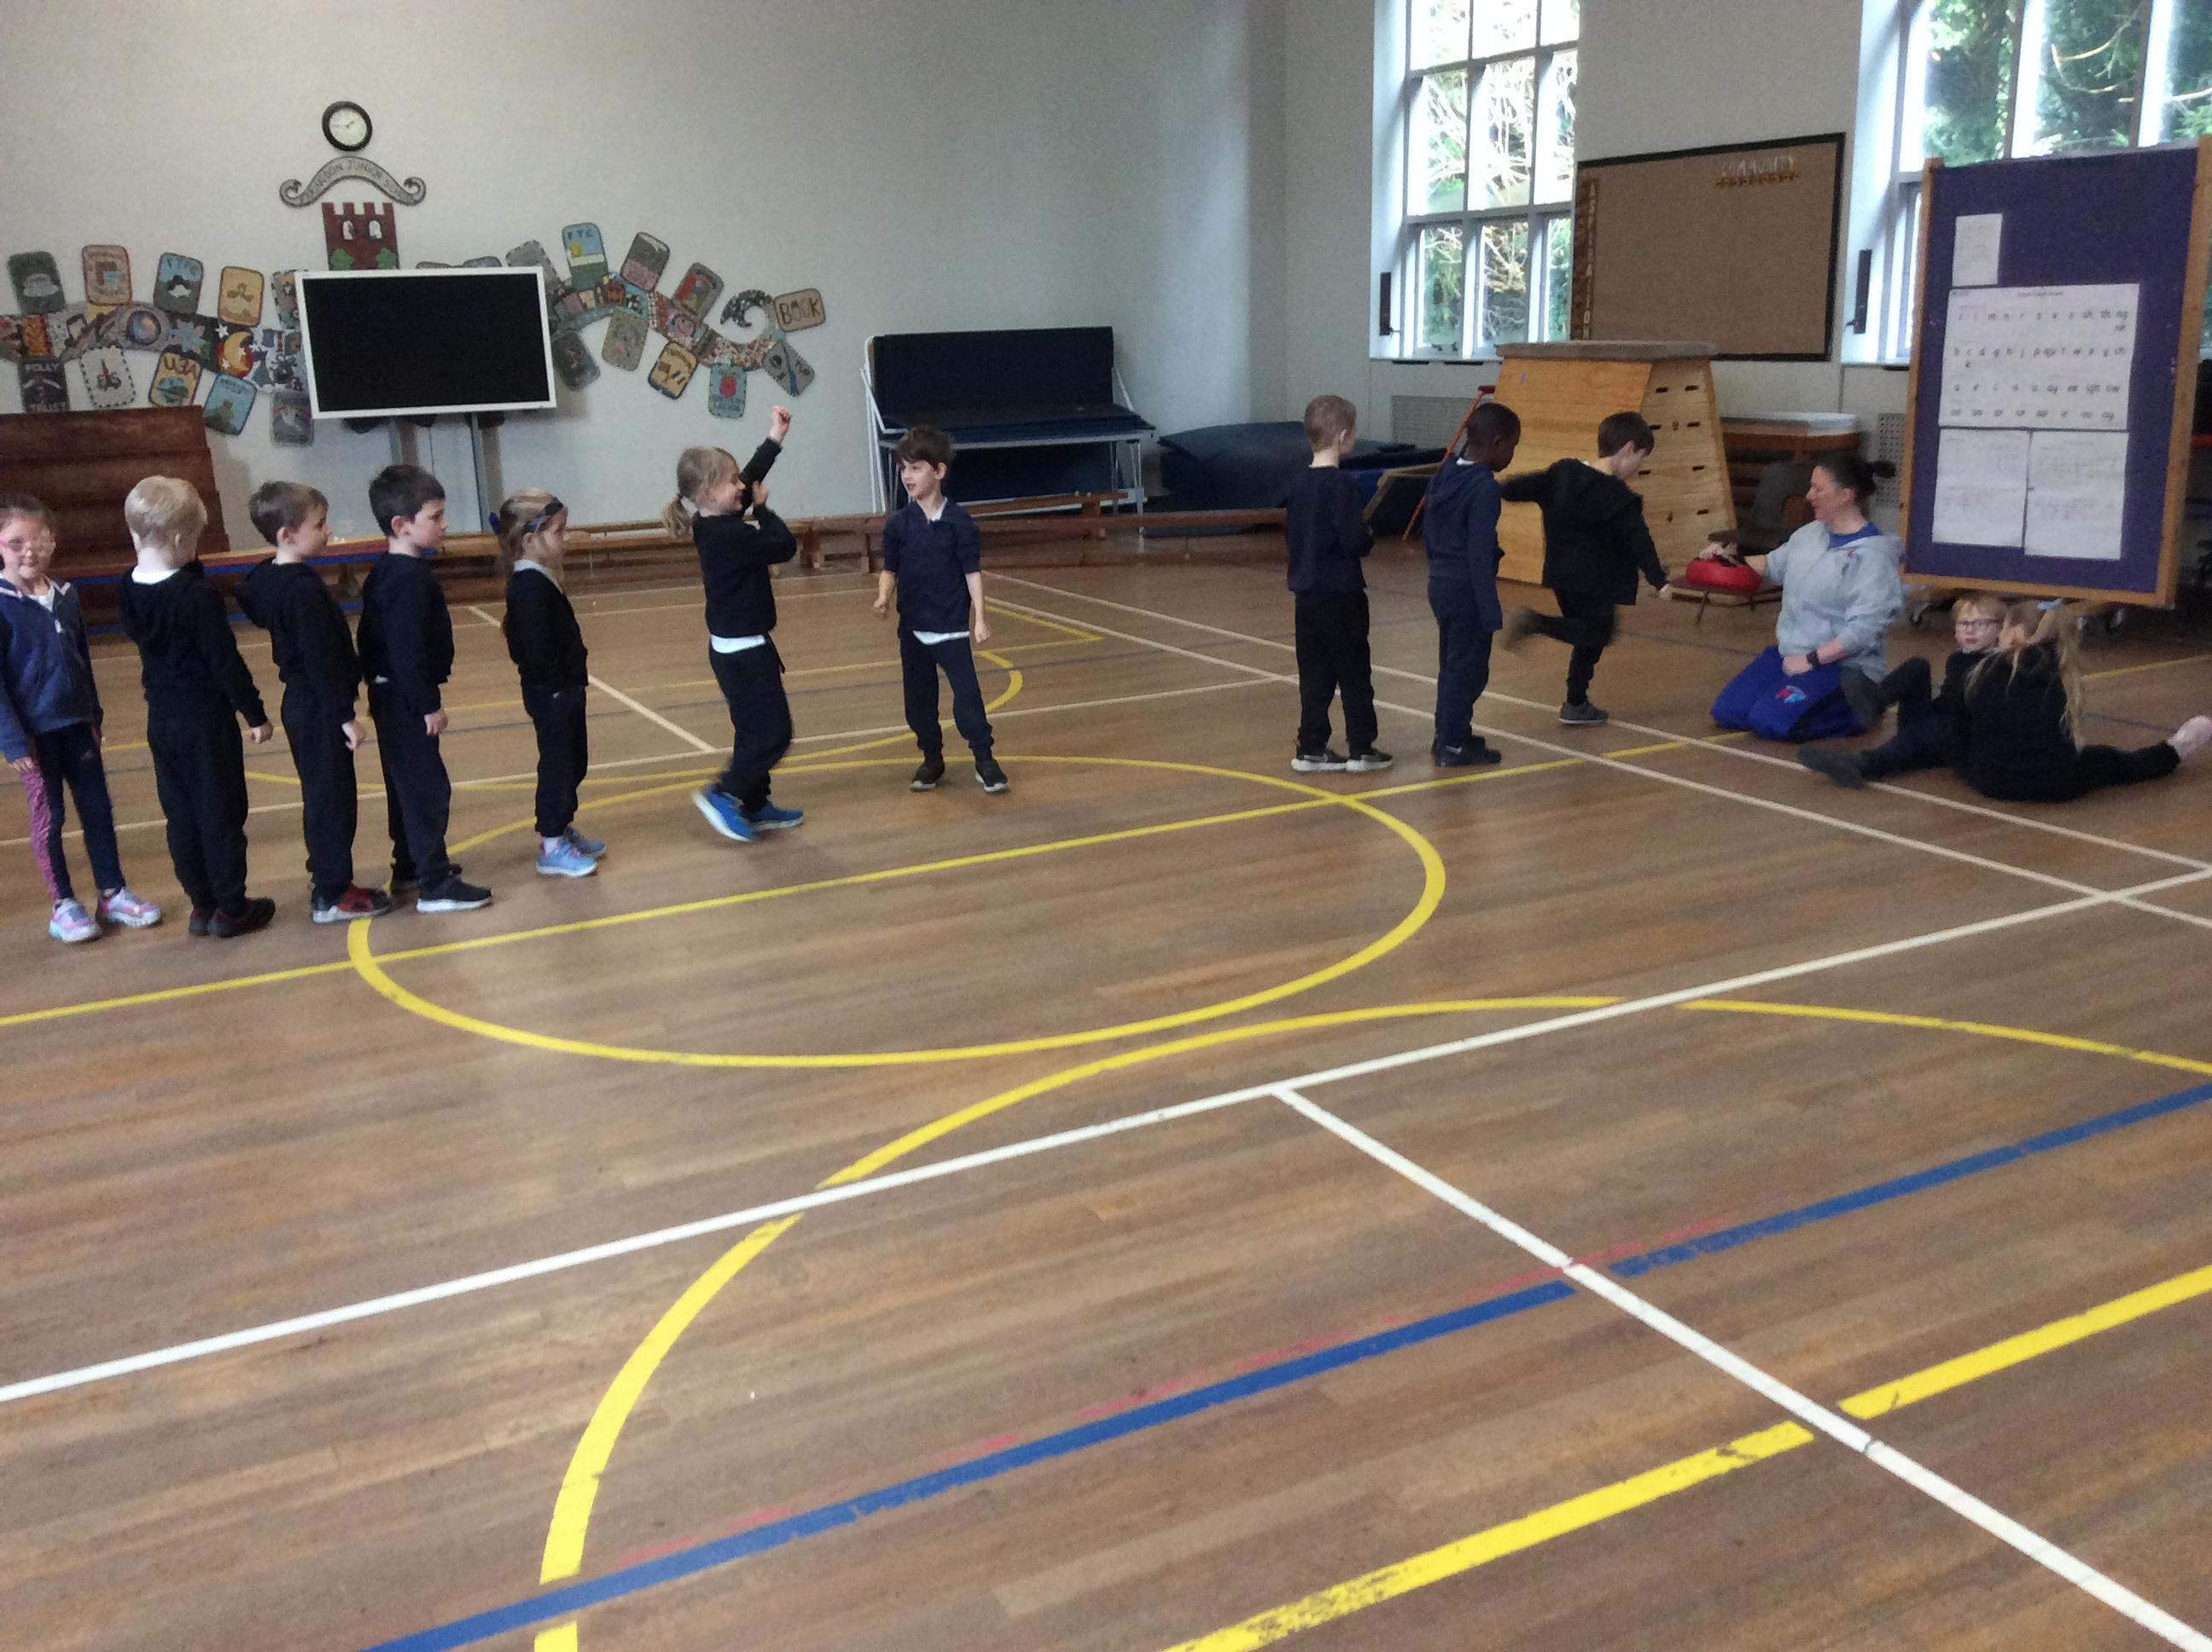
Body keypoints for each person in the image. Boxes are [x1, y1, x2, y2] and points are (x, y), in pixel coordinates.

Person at [115, 476, 276, 938]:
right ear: (181, 539)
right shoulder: (196, 596)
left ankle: (202, 904)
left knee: (181, 815)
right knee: (220, 811)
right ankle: (232, 907)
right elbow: (224, 660)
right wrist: (254, 712)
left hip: (161, 719)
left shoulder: (127, 587)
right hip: (205, 720)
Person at [0, 492, 161, 942]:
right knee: (49, 818)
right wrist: (11, 740)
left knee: (98, 810)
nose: (29, 551)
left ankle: (112, 892)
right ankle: (63, 904)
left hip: (77, 728)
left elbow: (82, 659)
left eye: (38, 540)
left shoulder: (66, 596)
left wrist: (94, 714)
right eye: (16, 543)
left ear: (53, 540)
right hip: (35, 738)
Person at [235, 481, 392, 922]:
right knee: (332, 801)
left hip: (304, 705)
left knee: (323, 795)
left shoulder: (273, 579)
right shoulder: (301, 591)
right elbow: (321, 658)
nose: (328, 532)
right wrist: (344, 715)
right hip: (319, 708)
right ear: (287, 534)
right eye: (319, 525)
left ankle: (326, 874)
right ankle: (331, 892)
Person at [357, 463, 492, 912]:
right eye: (435, 517)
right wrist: (428, 704)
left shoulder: (388, 571)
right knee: (427, 790)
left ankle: (410, 865)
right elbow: (406, 650)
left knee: (405, 787)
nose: (444, 524)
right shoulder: (406, 579)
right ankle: (434, 884)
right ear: (401, 524)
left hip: (392, 695)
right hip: (405, 698)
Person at [1703, 453, 1903, 742]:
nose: (1809, 495)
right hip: (1791, 655)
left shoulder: (1874, 557)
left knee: (1770, 722)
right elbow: (1772, 566)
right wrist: (1727, 559)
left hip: (1843, 667)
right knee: (1729, 712)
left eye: (1818, 489)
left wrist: (1811, 660)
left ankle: (1863, 706)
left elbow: (1863, 632)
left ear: (1845, 495)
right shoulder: (1810, 534)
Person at [665, 439, 805, 841]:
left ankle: (754, 802)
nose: (741, 486)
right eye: (731, 481)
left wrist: (774, 441)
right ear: (709, 492)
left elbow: (748, 479)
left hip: (733, 649)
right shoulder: (730, 535)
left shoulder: (709, 521)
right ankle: (725, 793)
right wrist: (763, 510)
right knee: (774, 734)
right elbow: (784, 546)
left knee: (750, 731)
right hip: (745, 654)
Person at [1497, 410, 1668, 726]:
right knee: (1599, 632)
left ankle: (1576, 703)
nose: (1639, 467)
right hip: (1597, 581)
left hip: (1561, 575)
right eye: (1641, 458)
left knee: (1586, 637)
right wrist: (1660, 580)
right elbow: (1639, 541)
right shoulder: (1618, 497)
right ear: (1628, 449)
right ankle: (1536, 623)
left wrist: (1495, 487)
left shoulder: (1563, 473)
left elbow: (1522, 487)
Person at [1948, 601, 2210, 803]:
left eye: (2004, 629)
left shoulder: (1983, 669)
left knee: (1963, 746)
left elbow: (1961, 726)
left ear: (2015, 632)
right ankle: (2174, 749)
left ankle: (2173, 750)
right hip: (2054, 783)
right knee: (2111, 760)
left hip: (1991, 780)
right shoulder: (2060, 672)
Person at [873, 424, 1009, 793]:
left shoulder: (959, 523)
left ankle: (984, 759)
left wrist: (980, 619)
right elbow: (890, 569)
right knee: (918, 703)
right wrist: (884, 597)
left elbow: (971, 573)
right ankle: (932, 759)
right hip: (913, 629)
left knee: (968, 699)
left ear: (939, 471)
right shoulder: (898, 525)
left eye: (916, 468)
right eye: (903, 469)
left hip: (951, 628)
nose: (907, 476)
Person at [494, 489, 605, 878]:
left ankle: (562, 826)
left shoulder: (541, 579)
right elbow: (532, 647)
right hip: (552, 693)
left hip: (565, 689)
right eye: (558, 531)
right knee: (558, 765)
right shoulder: (528, 587)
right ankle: (552, 842)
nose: (566, 538)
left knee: (574, 762)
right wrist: (556, 686)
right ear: (530, 540)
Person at [1797, 592, 2007, 788]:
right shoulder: (1958, 658)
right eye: (1964, 624)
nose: (1970, 630)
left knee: (1930, 729)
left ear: (2000, 629)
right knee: (1918, 666)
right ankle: (1871, 704)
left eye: (1980, 624)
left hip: (1956, 736)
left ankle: (1863, 764)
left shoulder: (1998, 666)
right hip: (1936, 725)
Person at [1283, 393, 1388, 773]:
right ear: (1344, 436)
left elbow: (1292, 536)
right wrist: (1369, 535)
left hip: (1306, 596)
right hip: (1341, 595)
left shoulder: (1298, 485)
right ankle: (1361, 748)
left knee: (1314, 674)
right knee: (1354, 673)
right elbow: (1354, 541)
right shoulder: (1342, 485)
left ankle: (1310, 746)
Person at [1423, 400, 1521, 767]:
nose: (1512, 455)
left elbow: (1430, 531)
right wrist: (1490, 610)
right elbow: (1479, 554)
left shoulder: (1445, 473)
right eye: (1512, 446)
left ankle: (1450, 734)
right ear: (1497, 442)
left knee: (1452, 664)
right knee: (1469, 670)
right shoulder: (1484, 489)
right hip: (1467, 590)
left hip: (1441, 583)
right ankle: (1452, 745)